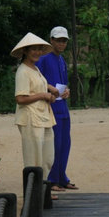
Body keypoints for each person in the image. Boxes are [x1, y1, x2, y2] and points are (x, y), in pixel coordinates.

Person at [11, 32, 60, 198]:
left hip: (44, 117)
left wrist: (52, 90)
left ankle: (43, 191)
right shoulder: (23, 71)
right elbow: (20, 98)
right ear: (25, 51)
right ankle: (33, 196)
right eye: (33, 49)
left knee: (47, 158)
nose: (37, 52)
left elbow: (39, 86)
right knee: (34, 159)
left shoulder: (36, 69)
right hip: (30, 118)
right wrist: (43, 95)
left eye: (39, 49)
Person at [36, 26, 78, 191]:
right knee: (54, 144)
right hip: (51, 107)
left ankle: (61, 177)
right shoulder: (44, 59)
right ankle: (52, 180)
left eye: (64, 41)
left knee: (65, 143)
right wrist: (51, 89)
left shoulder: (61, 60)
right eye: (58, 40)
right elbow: (38, 80)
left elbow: (63, 83)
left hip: (63, 107)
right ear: (51, 40)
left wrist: (66, 91)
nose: (61, 43)